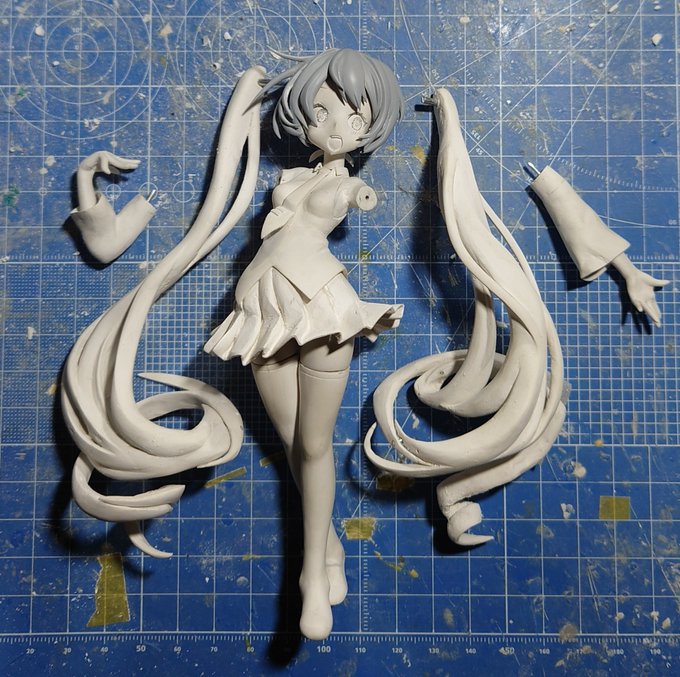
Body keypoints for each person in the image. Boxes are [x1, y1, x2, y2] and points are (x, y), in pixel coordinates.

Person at [204, 48, 404, 640]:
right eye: (322, 113)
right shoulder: (293, 177)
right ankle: (330, 546)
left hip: (320, 309)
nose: (336, 126)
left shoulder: (343, 184)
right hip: (262, 310)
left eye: (353, 116)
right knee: (295, 443)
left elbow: (352, 197)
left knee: (314, 445)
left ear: (370, 125)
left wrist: (356, 195)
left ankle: (310, 576)